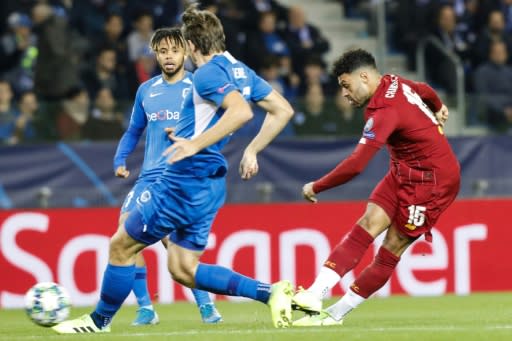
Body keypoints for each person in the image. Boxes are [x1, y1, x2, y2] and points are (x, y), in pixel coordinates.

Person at [52, 4, 295, 334]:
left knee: (121, 244)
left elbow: (240, 113)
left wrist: (194, 144)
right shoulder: (240, 69)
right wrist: (251, 149)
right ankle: (271, 293)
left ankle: (99, 321)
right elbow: (282, 110)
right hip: (209, 183)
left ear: (192, 46)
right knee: (182, 268)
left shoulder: (206, 73)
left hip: (184, 178)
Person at [290, 48, 460, 326]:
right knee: (368, 222)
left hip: (433, 182)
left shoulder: (384, 111)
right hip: (404, 169)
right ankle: (314, 294)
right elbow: (425, 89)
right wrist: (438, 106)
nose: (344, 94)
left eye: (346, 85)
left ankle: (336, 314)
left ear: (365, 77)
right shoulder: (394, 82)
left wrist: (316, 187)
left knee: (392, 245)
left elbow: (357, 164)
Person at [113, 27, 222, 325]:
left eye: (174, 50)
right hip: (149, 177)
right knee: (125, 232)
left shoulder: (198, 86)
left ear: (185, 52)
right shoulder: (146, 90)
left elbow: (224, 121)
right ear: (156, 55)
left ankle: (205, 304)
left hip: (181, 178)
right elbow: (134, 129)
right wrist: (120, 157)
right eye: (163, 51)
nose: (169, 56)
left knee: (174, 246)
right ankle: (146, 307)